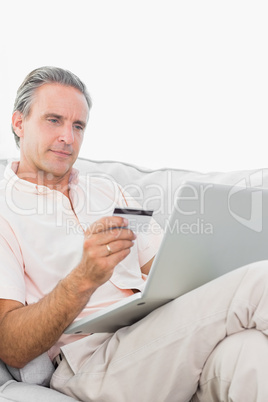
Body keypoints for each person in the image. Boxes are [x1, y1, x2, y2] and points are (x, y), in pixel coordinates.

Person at [1, 66, 268, 402]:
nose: (68, 137)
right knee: (260, 280)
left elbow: (163, 264)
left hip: (156, 339)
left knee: (251, 355)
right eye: (54, 120)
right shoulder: (4, 212)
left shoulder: (110, 191)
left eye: (78, 125)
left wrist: (210, 261)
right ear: (18, 123)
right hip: (91, 364)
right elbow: (11, 345)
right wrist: (84, 278)